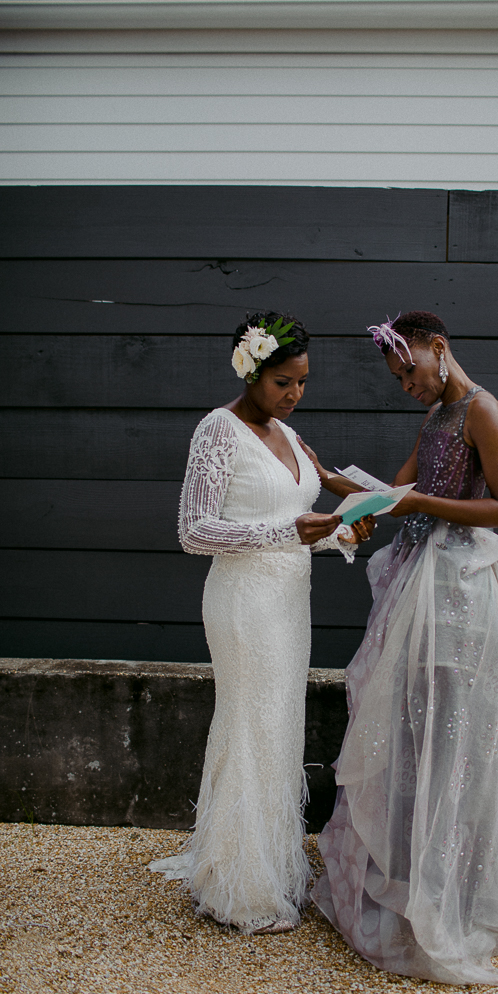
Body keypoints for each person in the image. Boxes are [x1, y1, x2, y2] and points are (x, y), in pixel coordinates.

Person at [306, 311, 498, 984]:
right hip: (421, 585)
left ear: (436, 349)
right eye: (398, 378)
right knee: (414, 728)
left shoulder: (481, 409)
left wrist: (421, 505)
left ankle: (458, 881)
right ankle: (419, 868)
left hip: (463, 591)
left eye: (408, 371)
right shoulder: (435, 418)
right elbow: (392, 496)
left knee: (455, 731)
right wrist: (331, 483)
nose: (406, 385)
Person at [150, 311, 373, 934]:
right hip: (242, 603)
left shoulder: (294, 438)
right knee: (249, 727)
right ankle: (239, 884)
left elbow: (303, 527)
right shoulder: (217, 431)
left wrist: (343, 531)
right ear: (249, 370)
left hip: (288, 602)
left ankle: (267, 862)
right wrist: (285, 531)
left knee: (278, 729)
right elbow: (193, 531)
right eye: (282, 382)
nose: (294, 394)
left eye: (302, 382)